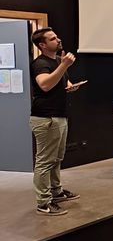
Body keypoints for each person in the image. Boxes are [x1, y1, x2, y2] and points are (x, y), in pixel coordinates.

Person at [30, 27, 81, 216]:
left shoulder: (57, 61)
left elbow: (61, 84)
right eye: (52, 38)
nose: (58, 40)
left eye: (57, 37)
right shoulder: (40, 63)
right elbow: (44, 85)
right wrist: (64, 65)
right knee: (44, 161)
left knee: (57, 158)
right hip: (46, 118)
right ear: (42, 45)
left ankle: (56, 191)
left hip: (59, 116)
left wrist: (70, 86)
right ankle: (43, 203)